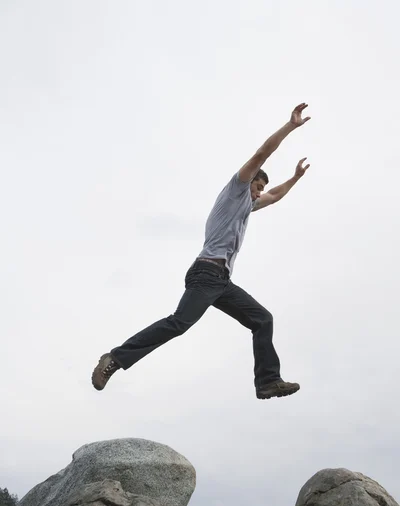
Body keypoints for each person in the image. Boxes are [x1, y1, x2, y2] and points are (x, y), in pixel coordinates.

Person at [92, 102, 311, 399]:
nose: (258, 193)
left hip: (221, 281)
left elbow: (274, 196)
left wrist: (296, 178)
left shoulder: (247, 205)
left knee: (262, 319)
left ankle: (267, 382)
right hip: (206, 273)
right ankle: (115, 359)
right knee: (179, 323)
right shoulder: (236, 189)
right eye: (256, 186)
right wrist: (290, 126)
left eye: (259, 189)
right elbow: (262, 153)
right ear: (248, 181)